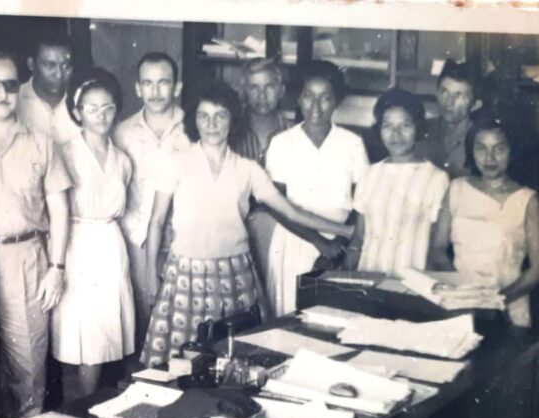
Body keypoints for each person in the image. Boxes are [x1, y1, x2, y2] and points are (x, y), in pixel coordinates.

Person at [141, 82, 354, 368]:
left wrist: (345, 231)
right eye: (204, 116)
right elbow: (156, 220)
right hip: (185, 274)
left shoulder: (248, 169)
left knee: (235, 363)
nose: (212, 124)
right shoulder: (176, 163)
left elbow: (290, 211)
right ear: (194, 120)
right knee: (180, 362)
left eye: (220, 116)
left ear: (233, 120)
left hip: (235, 274)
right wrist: (150, 275)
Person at [0, 51, 72, 418]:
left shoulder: (41, 141)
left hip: (27, 258)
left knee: (28, 369)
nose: (2, 94)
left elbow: (59, 210)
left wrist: (56, 268)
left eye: (10, 85)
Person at [52, 69, 136, 397]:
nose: (101, 116)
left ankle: (93, 404)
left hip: (111, 245)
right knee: (80, 333)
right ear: (78, 112)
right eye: (92, 108)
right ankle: (77, 405)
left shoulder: (123, 160)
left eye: (108, 108)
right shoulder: (64, 153)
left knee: (105, 332)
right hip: (76, 244)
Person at [264, 60, 369, 316]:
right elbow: (276, 206)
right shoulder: (281, 143)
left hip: (340, 248)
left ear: (336, 101)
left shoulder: (353, 144)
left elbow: (363, 203)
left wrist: (345, 246)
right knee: (290, 317)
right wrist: (319, 241)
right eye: (309, 96)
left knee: (333, 321)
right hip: (293, 243)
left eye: (325, 98)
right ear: (299, 98)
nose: (316, 106)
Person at [428, 115, 539, 328]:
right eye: (481, 148)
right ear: (471, 151)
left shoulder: (528, 199)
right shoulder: (457, 188)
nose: (490, 158)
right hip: (460, 306)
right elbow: (437, 249)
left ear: (512, 151)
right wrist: (462, 295)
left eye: (499, 149)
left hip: (508, 310)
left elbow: (538, 270)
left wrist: (496, 301)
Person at [113, 52, 191, 346]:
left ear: (177, 87)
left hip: (183, 241)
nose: (155, 91)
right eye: (148, 83)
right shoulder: (121, 132)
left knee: (181, 324)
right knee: (141, 323)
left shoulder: (193, 127)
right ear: (137, 88)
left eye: (163, 82)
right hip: (137, 240)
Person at [345, 88, 450, 275]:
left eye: (405, 125)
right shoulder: (368, 174)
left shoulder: (436, 178)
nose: (396, 134)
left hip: (410, 283)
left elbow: (437, 248)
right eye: (388, 126)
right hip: (369, 277)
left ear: (417, 127)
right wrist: (345, 269)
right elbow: (359, 237)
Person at [233, 57, 293, 287]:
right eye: (254, 87)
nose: (262, 95)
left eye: (269, 86)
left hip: (284, 229)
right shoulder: (231, 133)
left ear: (281, 90)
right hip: (238, 227)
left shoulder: (294, 133)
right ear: (243, 92)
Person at [418, 59, 483, 179]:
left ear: (475, 105)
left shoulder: (482, 140)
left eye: (459, 95)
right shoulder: (421, 131)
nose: (449, 102)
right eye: (445, 92)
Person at [17, 33, 77, 144]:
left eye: (66, 66)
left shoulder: (83, 99)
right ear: (31, 64)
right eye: (50, 66)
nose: (59, 75)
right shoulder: (14, 101)